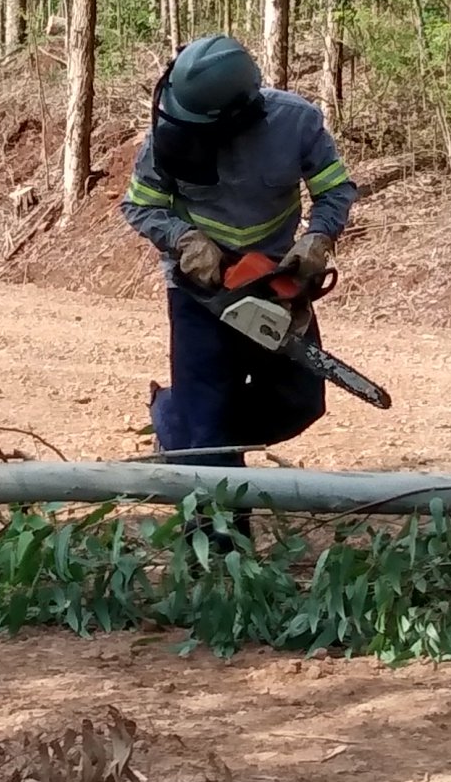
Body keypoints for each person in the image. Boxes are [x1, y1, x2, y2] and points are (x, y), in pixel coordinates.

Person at [120, 34, 357, 491]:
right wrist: (183, 239)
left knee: (299, 402)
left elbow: (335, 189)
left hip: (273, 280)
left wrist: (317, 238)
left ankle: (176, 422)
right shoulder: (167, 135)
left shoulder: (296, 122)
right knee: (207, 427)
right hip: (199, 290)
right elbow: (140, 205)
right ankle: (219, 547)